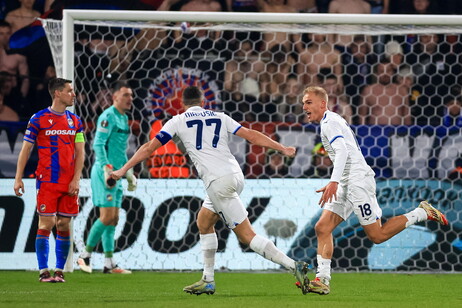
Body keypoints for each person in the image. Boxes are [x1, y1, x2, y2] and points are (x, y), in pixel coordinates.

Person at [112, 86, 311, 295]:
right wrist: (282, 148)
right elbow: (251, 136)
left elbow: (148, 148)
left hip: (217, 182)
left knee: (246, 235)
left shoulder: (177, 121)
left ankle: (292, 265)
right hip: (236, 175)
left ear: (182, 103)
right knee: (204, 221)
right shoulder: (220, 117)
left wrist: (124, 169)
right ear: (203, 102)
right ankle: (207, 279)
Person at [301, 86, 448, 295]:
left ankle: (422, 212)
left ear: (322, 104)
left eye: (308, 102)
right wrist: (337, 181)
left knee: (377, 235)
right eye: (303, 103)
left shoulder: (329, 123)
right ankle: (322, 279)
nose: (304, 107)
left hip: (357, 182)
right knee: (322, 228)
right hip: (346, 182)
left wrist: (333, 181)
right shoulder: (330, 120)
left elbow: (342, 151)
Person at [13, 77, 85, 282]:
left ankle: (59, 271)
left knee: (63, 224)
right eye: (69, 91)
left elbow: (80, 152)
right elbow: (26, 149)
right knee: (46, 223)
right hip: (47, 181)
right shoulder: (38, 119)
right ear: (57, 93)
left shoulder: (75, 121)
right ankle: (43, 271)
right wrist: (18, 178)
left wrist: (76, 179)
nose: (73, 94)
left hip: (69, 182)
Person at [77, 81, 136, 274]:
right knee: (107, 216)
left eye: (131, 95)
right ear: (115, 97)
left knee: (114, 219)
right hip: (106, 173)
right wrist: (105, 168)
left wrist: (128, 172)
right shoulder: (107, 116)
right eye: (126, 95)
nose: (130, 99)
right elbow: (98, 144)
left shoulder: (124, 118)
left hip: (117, 173)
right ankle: (84, 255)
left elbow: (120, 149)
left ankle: (109, 263)